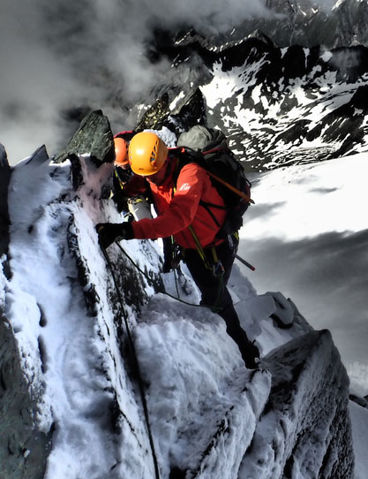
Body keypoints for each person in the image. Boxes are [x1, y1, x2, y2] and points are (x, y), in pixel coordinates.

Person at [96, 131, 260, 369]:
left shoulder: (191, 174)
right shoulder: (152, 169)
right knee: (212, 297)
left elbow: (177, 219)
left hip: (217, 247)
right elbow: (138, 185)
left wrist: (125, 230)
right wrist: (120, 193)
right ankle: (225, 344)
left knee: (216, 299)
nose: (151, 180)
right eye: (147, 176)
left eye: (154, 174)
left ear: (164, 161)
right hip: (193, 247)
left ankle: (244, 350)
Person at [111, 131, 151, 221]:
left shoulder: (140, 154)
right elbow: (116, 189)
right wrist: (125, 212)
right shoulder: (115, 170)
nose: (126, 166)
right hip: (135, 196)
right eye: (123, 165)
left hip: (146, 188)